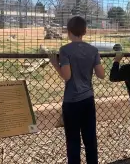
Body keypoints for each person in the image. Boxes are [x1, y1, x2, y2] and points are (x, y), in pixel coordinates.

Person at [49, 16, 105, 164]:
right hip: (88, 99)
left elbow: (66, 76)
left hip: (71, 101)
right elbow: (101, 74)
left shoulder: (65, 50)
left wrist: (55, 64)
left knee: (73, 141)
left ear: (68, 31)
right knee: (90, 139)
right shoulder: (93, 50)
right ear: (84, 32)